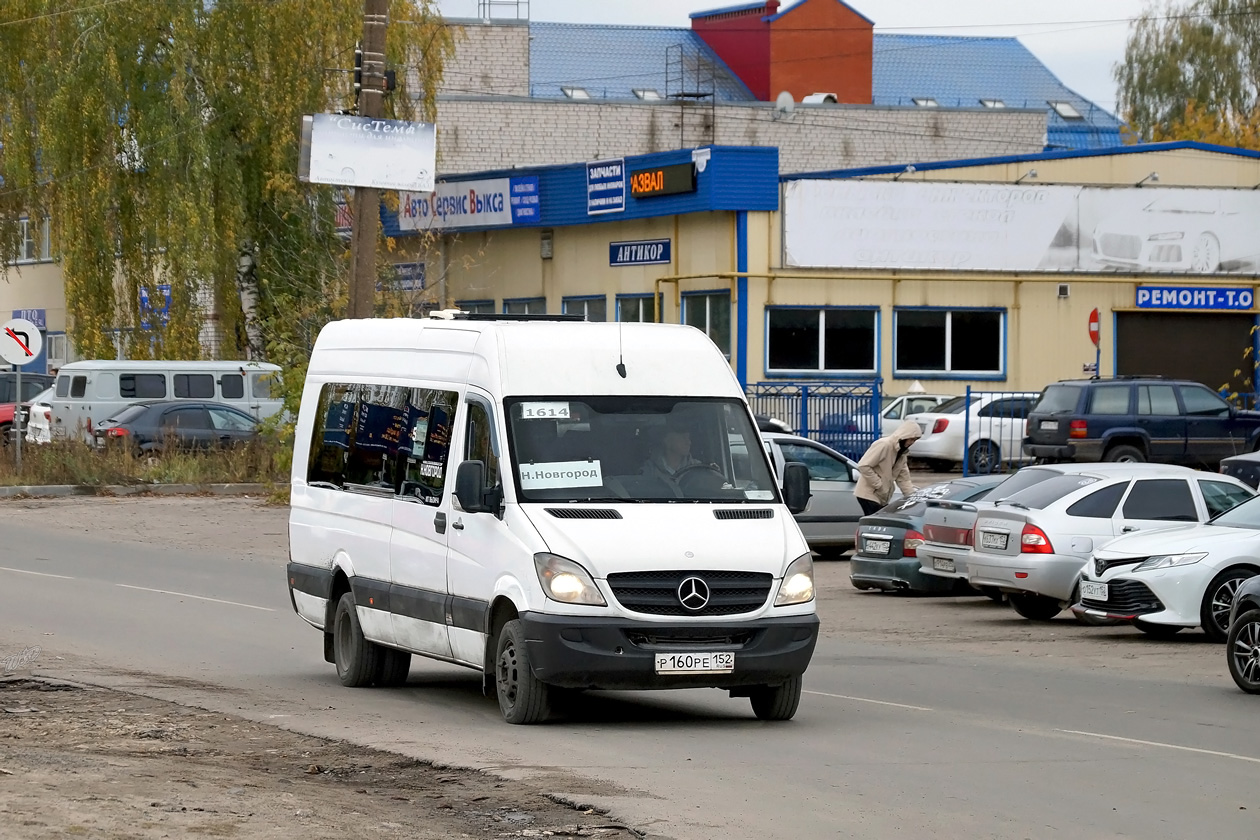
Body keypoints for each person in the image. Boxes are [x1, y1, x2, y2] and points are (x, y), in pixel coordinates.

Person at [854, 420, 921, 516]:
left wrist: (912, 498)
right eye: (911, 439)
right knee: (876, 523)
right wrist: (878, 484)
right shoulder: (884, 445)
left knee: (878, 524)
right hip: (869, 494)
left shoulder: (902, 454)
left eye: (915, 440)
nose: (912, 442)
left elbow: (904, 479)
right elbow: (864, 465)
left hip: (882, 496)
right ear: (904, 436)